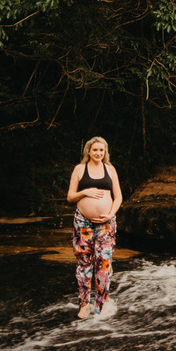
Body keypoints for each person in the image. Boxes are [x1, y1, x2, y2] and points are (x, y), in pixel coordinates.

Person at [67, 136, 123, 319]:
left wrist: (111, 213)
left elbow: (119, 197)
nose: (98, 153)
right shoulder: (80, 169)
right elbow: (70, 197)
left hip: (106, 223)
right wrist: (84, 192)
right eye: (95, 150)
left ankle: (102, 302)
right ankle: (84, 303)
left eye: (102, 150)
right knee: (84, 262)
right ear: (88, 152)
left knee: (104, 263)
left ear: (105, 152)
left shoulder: (110, 169)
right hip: (83, 222)